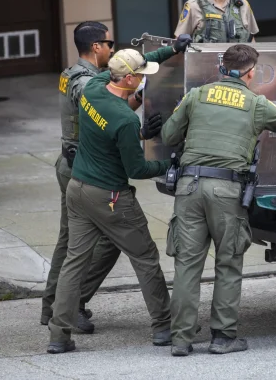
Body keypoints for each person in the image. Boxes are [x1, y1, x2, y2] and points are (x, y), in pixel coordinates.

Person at [161, 44, 276, 356]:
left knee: (187, 266)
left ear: (222, 67)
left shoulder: (197, 95)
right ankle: (222, 337)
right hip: (226, 190)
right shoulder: (255, 102)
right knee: (228, 263)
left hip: (189, 187)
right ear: (251, 72)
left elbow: (167, 136)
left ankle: (180, 339)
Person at [41, 22, 191, 332]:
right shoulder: (123, 119)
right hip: (109, 196)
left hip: (78, 188)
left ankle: (58, 332)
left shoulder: (95, 86)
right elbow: (137, 170)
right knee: (146, 257)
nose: (143, 79)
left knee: (74, 260)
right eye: (140, 75)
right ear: (130, 79)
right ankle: (165, 327)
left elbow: (106, 125)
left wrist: (171, 49)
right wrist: (172, 163)